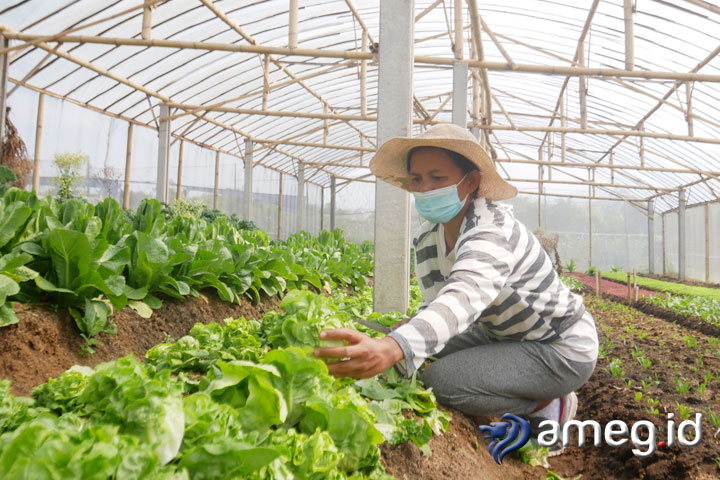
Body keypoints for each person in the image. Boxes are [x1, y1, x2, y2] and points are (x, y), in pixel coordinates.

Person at [315, 123, 598, 455]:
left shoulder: (491, 230)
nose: (425, 188)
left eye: (438, 178)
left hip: (558, 347)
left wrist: (394, 347)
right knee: (398, 336)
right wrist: (406, 330)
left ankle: (547, 405)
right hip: (503, 335)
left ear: (472, 180)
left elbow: (465, 295)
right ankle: (529, 387)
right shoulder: (429, 235)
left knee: (443, 383)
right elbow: (442, 300)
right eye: (417, 179)